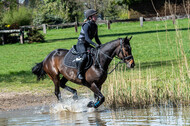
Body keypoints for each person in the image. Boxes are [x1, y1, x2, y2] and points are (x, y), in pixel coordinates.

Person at [76, 9, 102, 80]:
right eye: (94, 16)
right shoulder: (86, 25)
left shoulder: (95, 26)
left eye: (96, 15)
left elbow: (96, 38)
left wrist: (101, 46)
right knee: (84, 56)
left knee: (96, 53)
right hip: (81, 43)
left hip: (87, 44)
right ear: (90, 17)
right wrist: (95, 45)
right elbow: (87, 39)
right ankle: (79, 73)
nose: (96, 17)